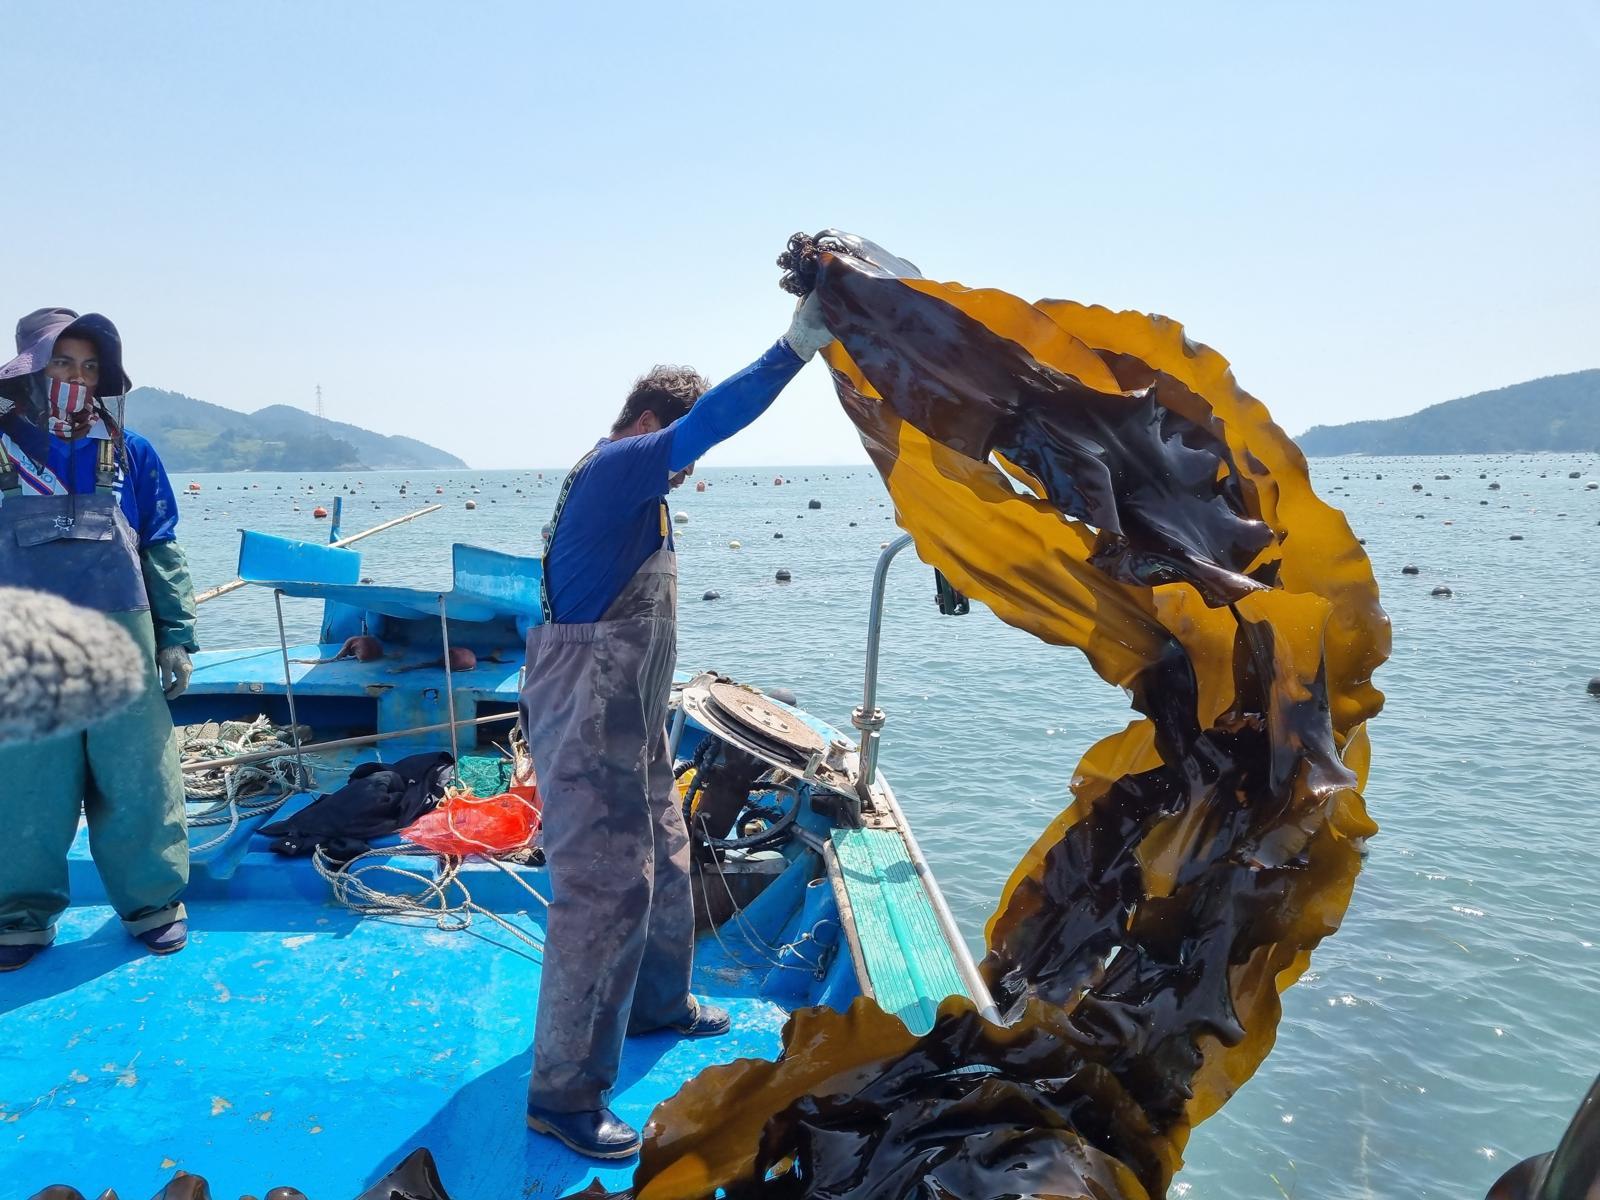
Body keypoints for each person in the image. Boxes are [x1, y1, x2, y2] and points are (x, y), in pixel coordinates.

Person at [519, 292, 833, 1158]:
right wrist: (794, 349)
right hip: (587, 713)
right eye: (678, 450)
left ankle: (660, 1001)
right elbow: (717, 420)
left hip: (634, 711)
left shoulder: (636, 489)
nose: (684, 472)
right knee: (603, 889)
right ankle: (563, 1094)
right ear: (654, 420)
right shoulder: (622, 464)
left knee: (665, 849)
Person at [0, 308, 197, 971]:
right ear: (31, 369)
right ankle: (20, 916)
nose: (77, 378)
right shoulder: (2, 449)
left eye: (89, 367)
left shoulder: (131, 452)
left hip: (123, 635)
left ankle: (153, 905)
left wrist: (177, 638)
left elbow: (162, 549)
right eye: (62, 363)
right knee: (26, 783)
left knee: (138, 777)